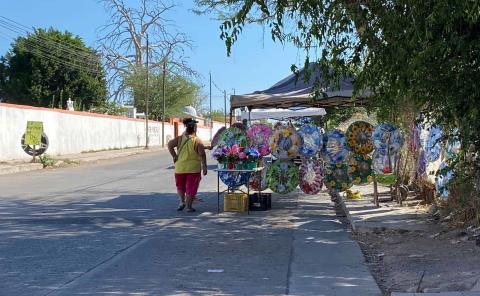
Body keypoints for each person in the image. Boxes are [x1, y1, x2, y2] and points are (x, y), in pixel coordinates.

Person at [168, 118, 207, 212]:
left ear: (186, 127)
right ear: (195, 128)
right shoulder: (197, 141)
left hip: (180, 168)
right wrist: (204, 166)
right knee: (191, 187)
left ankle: (182, 202)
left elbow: (170, 145)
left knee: (180, 186)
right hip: (193, 169)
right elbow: (202, 154)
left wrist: (174, 156)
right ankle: (189, 206)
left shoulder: (180, 138)